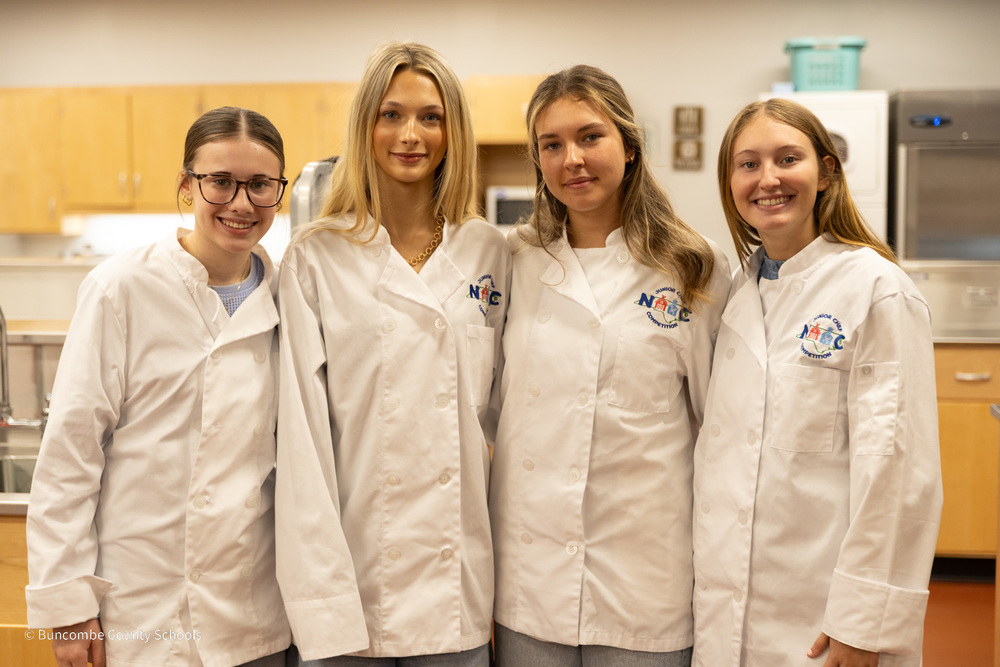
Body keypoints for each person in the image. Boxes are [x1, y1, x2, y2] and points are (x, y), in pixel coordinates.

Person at [25, 106, 291, 667]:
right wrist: (68, 606)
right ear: (187, 186)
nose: (241, 204)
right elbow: (71, 454)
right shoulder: (121, 288)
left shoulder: (289, 297)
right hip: (143, 614)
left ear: (278, 192)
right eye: (220, 181)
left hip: (253, 617)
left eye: (260, 185)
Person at [488, 64, 731, 667]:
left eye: (590, 136)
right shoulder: (514, 261)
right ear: (538, 160)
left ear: (628, 144)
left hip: (646, 579)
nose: (572, 158)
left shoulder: (692, 269)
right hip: (531, 574)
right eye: (552, 144)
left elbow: (718, 429)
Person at [276, 42, 509, 666]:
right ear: (365, 127)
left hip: (453, 588)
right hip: (350, 580)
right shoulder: (315, 256)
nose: (412, 135)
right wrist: (320, 595)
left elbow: (506, 422)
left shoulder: (491, 252)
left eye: (431, 117)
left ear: (452, 131)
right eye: (391, 114)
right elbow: (301, 442)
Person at [691, 98, 943, 666]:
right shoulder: (734, 295)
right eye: (748, 164)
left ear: (826, 172)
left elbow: (900, 472)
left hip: (826, 619)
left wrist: (863, 621)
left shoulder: (876, 289)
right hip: (726, 612)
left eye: (787, 159)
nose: (768, 179)